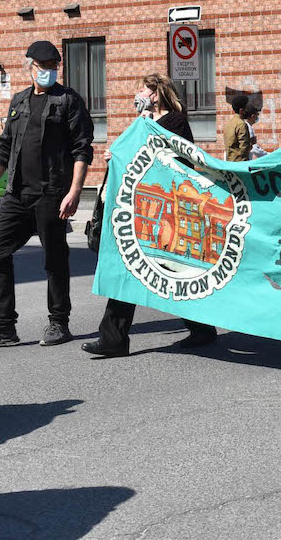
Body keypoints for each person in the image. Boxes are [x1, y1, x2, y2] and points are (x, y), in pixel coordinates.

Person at [83, 73, 217, 357]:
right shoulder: (144, 122)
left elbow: (178, 160)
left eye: (143, 90)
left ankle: (202, 328)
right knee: (130, 267)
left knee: (173, 271)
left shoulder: (175, 122)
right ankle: (114, 338)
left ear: (156, 93)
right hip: (141, 206)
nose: (139, 95)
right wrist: (115, 156)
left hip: (167, 206)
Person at [0, 41, 94, 347]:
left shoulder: (68, 101)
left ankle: (59, 323)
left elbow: (82, 149)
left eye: (54, 66)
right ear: (30, 67)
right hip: (17, 194)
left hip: (51, 194)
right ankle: (4, 327)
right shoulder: (19, 101)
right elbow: (4, 147)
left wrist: (75, 191)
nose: (50, 72)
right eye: (44, 67)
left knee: (55, 259)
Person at [224, 94, 258, 162]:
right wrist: (251, 143)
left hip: (230, 160)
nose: (248, 110)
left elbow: (233, 143)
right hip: (239, 162)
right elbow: (244, 148)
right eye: (246, 108)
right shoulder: (242, 124)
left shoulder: (230, 123)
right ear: (241, 110)